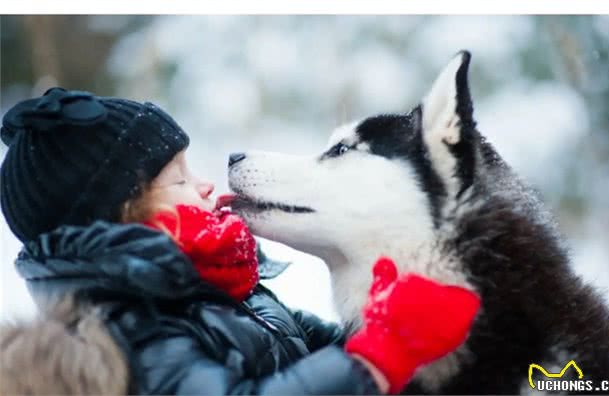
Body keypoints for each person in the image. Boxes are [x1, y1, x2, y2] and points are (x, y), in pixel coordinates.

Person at [0, 88, 480, 395]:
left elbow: (309, 349)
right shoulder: (126, 333)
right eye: (179, 179)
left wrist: (382, 321)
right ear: (123, 215)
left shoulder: (213, 288)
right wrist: (376, 358)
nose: (205, 184)